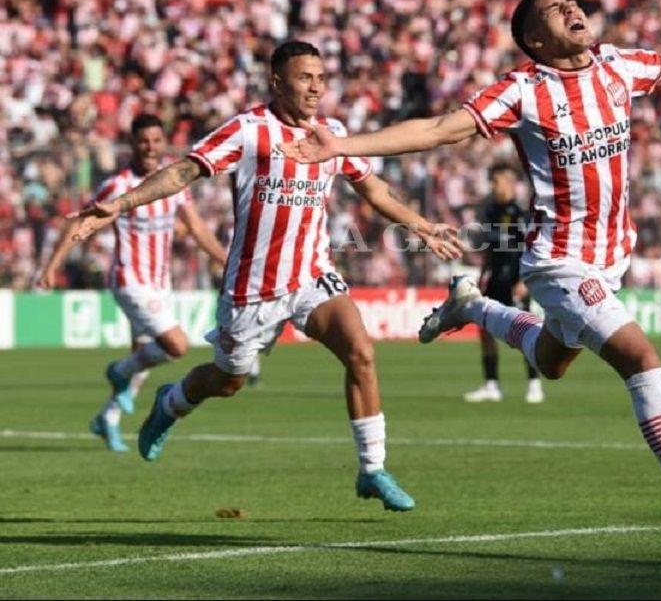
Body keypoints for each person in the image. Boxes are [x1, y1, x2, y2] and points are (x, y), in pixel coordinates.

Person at [278, 0, 661, 552]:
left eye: (570, 2)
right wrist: (341, 148)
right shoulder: (524, 90)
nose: (571, 9)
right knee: (643, 361)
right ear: (536, 40)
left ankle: (474, 307)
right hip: (560, 260)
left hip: (611, 258)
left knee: (551, 361)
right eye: (553, 11)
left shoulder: (618, 66)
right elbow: (439, 129)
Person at [72, 41, 463, 512]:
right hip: (252, 289)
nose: (316, 86)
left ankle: (373, 469)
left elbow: (373, 188)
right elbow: (181, 173)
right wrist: (120, 204)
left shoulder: (333, 134)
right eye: (305, 77)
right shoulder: (248, 130)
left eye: (320, 77)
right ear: (277, 82)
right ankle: (170, 401)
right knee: (228, 380)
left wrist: (419, 225)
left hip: (312, 275)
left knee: (360, 350)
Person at [35, 114, 228, 452]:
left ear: (162, 142)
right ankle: (117, 372)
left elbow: (197, 228)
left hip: (159, 282)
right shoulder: (118, 186)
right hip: (129, 278)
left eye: (156, 140)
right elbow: (79, 222)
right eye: (143, 140)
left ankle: (106, 420)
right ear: (133, 143)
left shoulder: (175, 183)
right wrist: (52, 266)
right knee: (177, 346)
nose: (150, 147)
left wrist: (227, 261)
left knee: (142, 358)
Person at [465, 163, 543, 404]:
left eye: (497, 181)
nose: (493, 186)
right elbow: (489, 248)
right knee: (485, 330)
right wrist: (483, 275)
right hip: (495, 276)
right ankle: (491, 385)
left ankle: (534, 383)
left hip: (516, 278)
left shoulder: (522, 212)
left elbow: (534, 248)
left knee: (523, 331)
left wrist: (525, 281)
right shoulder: (489, 211)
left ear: (509, 182)